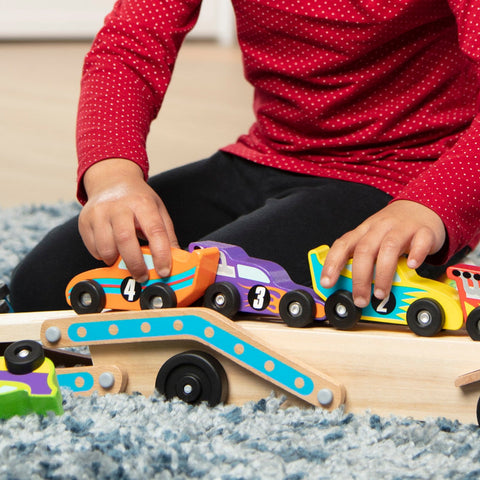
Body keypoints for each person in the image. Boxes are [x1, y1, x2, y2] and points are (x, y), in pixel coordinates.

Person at [9, 0, 480, 312]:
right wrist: (113, 178)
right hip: (266, 153)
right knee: (42, 287)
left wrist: (435, 206)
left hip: (404, 176)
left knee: (205, 304)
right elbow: (132, 44)